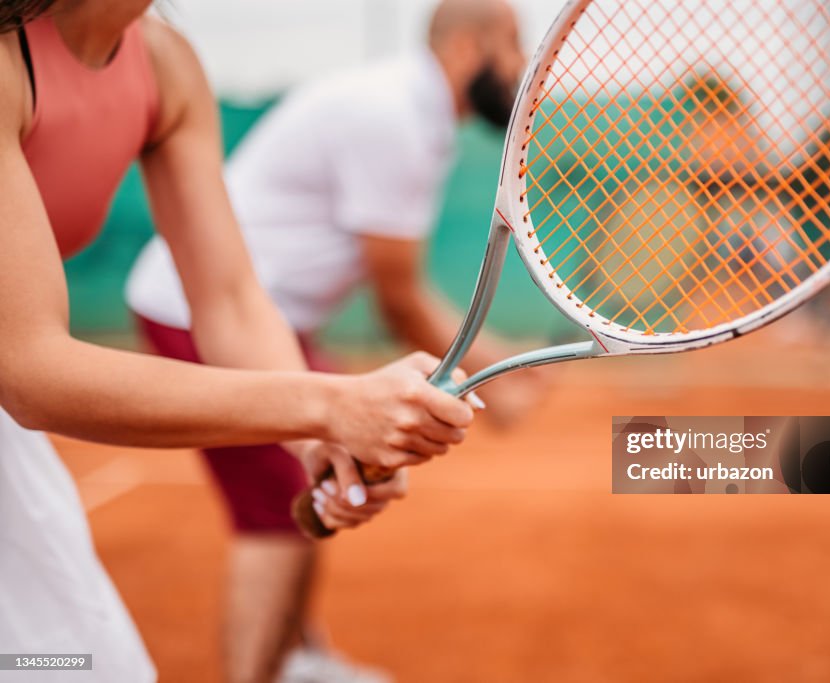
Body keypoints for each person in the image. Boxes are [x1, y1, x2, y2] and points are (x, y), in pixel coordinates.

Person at [0, 1, 475, 682]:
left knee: (84, 665)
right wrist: (327, 404)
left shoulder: (166, 65)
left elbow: (228, 299)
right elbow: (29, 372)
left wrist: (318, 440)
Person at [126, 1, 537, 681]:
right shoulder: (396, 117)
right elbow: (399, 298)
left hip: (263, 319)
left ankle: (298, 656)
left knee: (316, 478)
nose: (525, 68)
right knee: (274, 512)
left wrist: (504, 367)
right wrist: (505, 375)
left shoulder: (417, 114)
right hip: (201, 312)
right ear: (467, 48)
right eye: (514, 46)